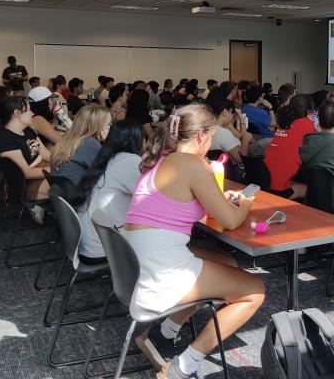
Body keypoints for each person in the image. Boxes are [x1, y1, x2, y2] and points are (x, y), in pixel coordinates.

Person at [124, 104, 264, 377]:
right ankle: (184, 367)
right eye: (211, 137)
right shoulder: (192, 164)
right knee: (254, 290)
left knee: (227, 262)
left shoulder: (163, 158)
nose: (210, 144)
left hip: (139, 261)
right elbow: (231, 221)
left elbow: (181, 201)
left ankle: (164, 334)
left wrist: (218, 200)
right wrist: (245, 204)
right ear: (201, 136)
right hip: (160, 270)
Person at [70, 119, 145, 263]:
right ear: (138, 140)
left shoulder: (106, 157)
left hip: (87, 242)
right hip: (102, 248)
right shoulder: (131, 161)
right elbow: (152, 198)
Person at [0, 96, 51, 208]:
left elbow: (46, 154)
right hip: (27, 186)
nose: (32, 113)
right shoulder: (5, 140)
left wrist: (67, 162)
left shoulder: (27, 130)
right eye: (28, 110)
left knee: (77, 176)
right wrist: (58, 170)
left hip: (40, 172)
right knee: (76, 183)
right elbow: (27, 173)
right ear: (17, 113)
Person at [264, 94, 315, 199]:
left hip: (265, 182)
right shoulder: (307, 124)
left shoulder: (283, 123)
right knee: (318, 190)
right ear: (309, 112)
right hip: (281, 190)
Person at [50, 104, 111, 186]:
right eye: (109, 124)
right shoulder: (90, 144)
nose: (111, 127)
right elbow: (111, 173)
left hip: (66, 194)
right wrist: (109, 142)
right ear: (98, 127)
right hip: (81, 195)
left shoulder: (66, 140)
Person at [209, 95, 252, 165]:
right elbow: (241, 159)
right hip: (234, 169)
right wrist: (246, 139)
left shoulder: (208, 128)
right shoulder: (222, 133)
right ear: (225, 112)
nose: (232, 116)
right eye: (232, 113)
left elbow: (239, 136)